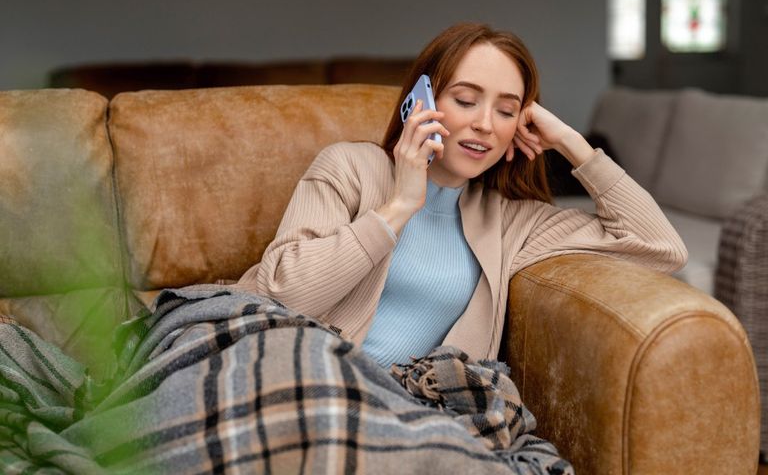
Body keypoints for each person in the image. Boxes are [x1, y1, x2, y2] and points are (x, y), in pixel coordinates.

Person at [235, 22, 687, 368]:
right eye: (466, 100)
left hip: (402, 413)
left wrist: (573, 143)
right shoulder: (349, 167)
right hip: (290, 368)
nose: (485, 124)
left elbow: (660, 247)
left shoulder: (511, 222)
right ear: (422, 101)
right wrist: (399, 207)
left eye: (506, 110)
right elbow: (284, 296)